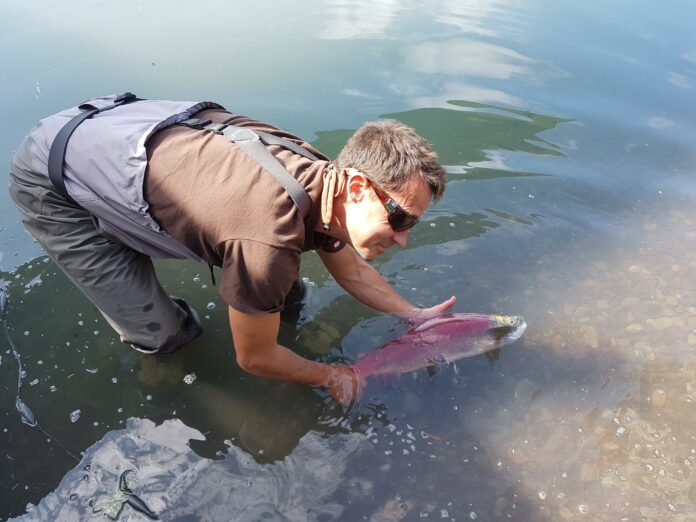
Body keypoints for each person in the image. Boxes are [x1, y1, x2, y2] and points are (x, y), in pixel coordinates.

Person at [8, 93, 455, 405]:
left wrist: (414, 316)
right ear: (356, 186)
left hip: (117, 135)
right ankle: (164, 367)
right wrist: (335, 374)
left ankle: (143, 218)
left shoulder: (327, 180)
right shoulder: (268, 236)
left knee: (285, 293)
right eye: (400, 218)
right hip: (55, 177)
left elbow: (352, 271)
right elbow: (254, 358)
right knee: (168, 334)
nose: (403, 238)